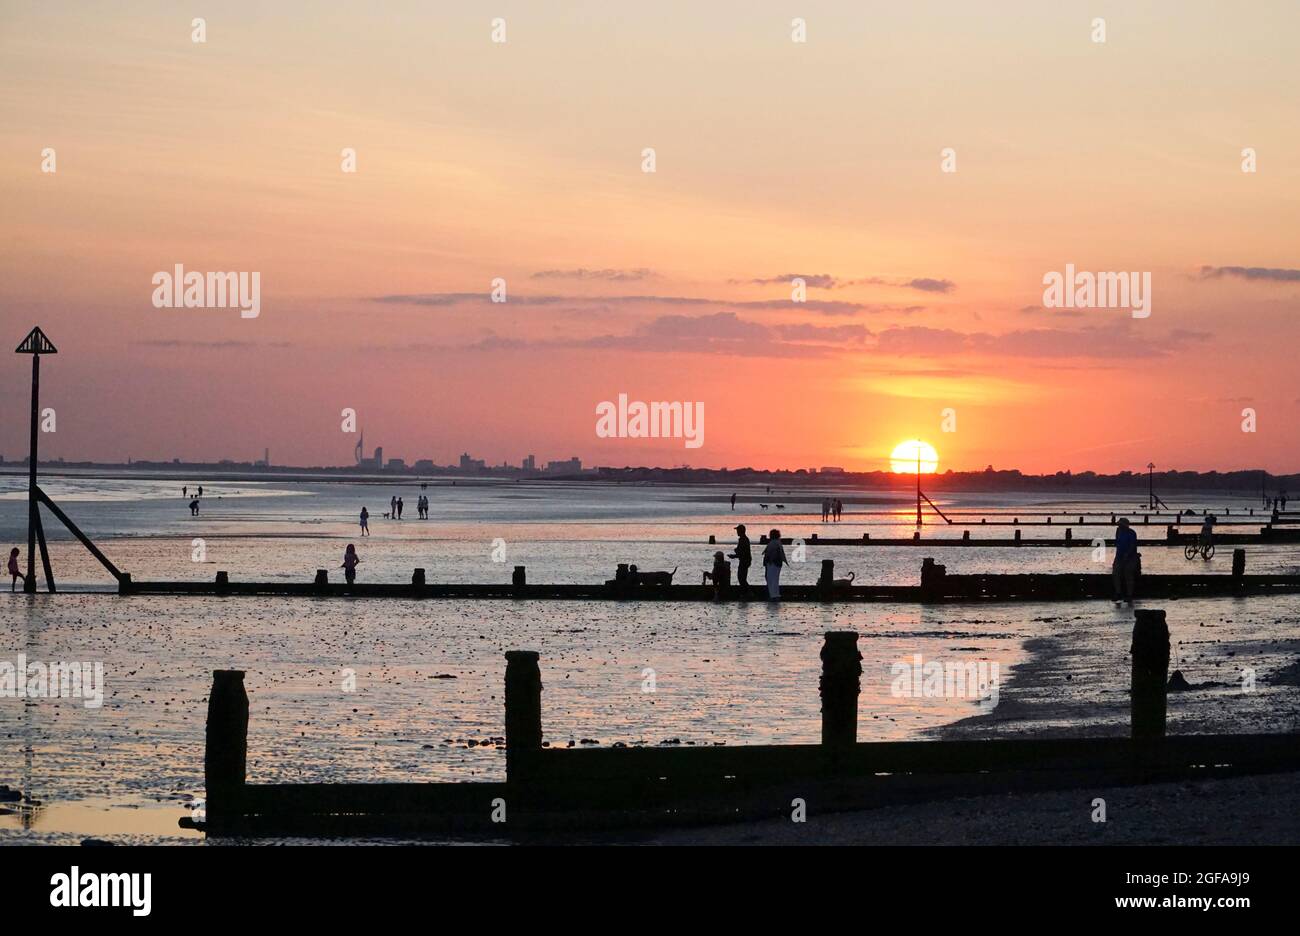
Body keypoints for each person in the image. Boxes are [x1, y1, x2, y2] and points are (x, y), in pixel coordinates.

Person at [1112, 517, 1138, 604]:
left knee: (1128, 575)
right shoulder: (1118, 532)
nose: (1119, 526)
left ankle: (1129, 595)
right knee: (1116, 574)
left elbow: (1132, 545)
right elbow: (1117, 543)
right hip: (1119, 556)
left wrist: (1127, 554)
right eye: (1119, 525)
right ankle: (1118, 593)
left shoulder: (1132, 533)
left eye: (1120, 525)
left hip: (1130, 557)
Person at [763, 528, 789, 601]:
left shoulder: (774, 543)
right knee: (773, 579)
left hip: (773, 564)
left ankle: (773, 596)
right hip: (776, 564)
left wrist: (770, 561)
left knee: (771, 579)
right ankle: (774, 595)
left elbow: (772, 554)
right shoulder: (777, 542)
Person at [728, 524, 752, 591]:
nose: (737, 532)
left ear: (741, 531)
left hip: (744, 561)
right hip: (745, 560)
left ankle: (748, 592)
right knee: (742, 578)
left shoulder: (743, 539)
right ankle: (746, 592)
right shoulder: (744, 539)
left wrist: (734, 554)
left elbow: (742, 552)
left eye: (738, 530)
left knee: (741, 578)